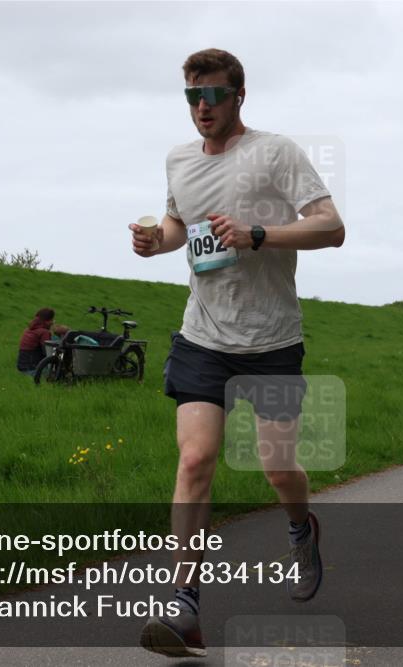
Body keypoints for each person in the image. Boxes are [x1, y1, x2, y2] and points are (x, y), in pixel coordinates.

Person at [129, 48, 344, 658]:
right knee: (195, 459)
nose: (204, 107)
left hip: (272, 339)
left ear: (239, 96)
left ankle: (301, 528)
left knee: (278, 469)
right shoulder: (178, 160)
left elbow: (332, 227)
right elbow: (180, 225)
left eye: (216, 96)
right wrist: (156, 241)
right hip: (203, 335)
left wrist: (257, 235)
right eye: (194, 97)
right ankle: (185, 604)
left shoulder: (276, 153)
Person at [16, 308, 55, 375]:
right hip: (33, 370)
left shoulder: (28, 330)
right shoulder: (44, 332)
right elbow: (48, 353)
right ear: (47, 321)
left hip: (21, 369)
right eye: (52, 320)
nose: (53, 322)